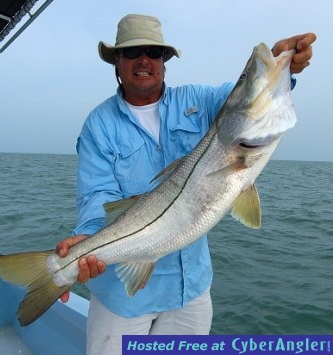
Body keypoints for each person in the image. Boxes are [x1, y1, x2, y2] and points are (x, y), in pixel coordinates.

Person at [56, 14, 316, 355]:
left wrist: (286, 70)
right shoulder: (99, 125)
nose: (144, 60)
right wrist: (89, 241)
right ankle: (52, 273)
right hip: (122, 295)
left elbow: (244, 99)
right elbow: (96, 195)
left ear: (165, 61)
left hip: (190, 291)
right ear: (117, 63)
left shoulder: (200, 100)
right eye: (133, 53)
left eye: (154, 51)